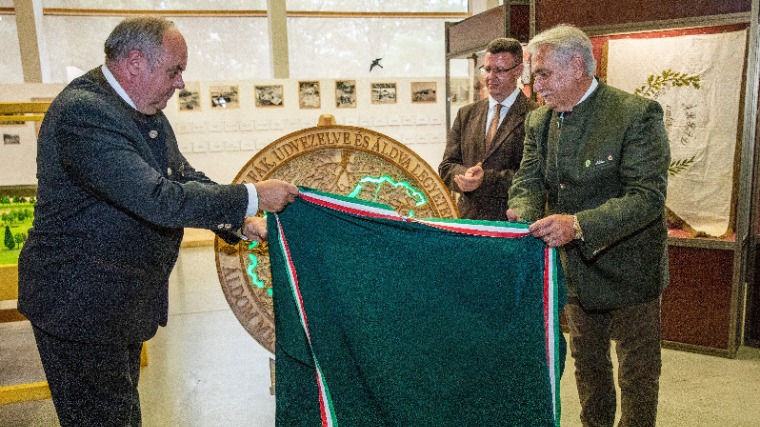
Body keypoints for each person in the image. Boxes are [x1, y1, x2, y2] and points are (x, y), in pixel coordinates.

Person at [17, 16, 298, 427]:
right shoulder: (84, 113)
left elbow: (181, 176)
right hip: (79, 306)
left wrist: (242, 219)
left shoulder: (141, 110)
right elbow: (157, 199)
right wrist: (252, 195)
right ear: (135, 63)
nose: (180, 83)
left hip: (116, 301)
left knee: (119, 411)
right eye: (174, 70)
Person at [506, 24, 670, 427]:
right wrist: (523, 213)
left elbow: (647, 198)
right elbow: (529, 180)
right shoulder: (539, 122)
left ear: (577, 66)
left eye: (543, 74)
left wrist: (578, 225)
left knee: (637, 375)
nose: (535, 86)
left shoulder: (635, 114)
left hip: (632, 270)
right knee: (589, 367)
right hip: (576, 270)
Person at [439, 38, 536, 220]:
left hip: (511, 222)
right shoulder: (466, 114)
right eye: (487, 69)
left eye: (500, 70)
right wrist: (465, 176)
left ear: (518, 71)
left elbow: (535, 177)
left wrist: (485, 180)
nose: (491, 76)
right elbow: (446, 167)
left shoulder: (536, 115)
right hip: (468, 220)